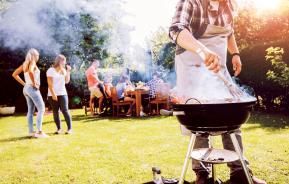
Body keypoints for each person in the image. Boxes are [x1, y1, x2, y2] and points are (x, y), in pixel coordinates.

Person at [169, 0, 266, 184]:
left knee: (232, 111)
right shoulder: (191, 2)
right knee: (201, 118)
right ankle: (202, 174)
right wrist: (202, 50)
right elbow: (176, 29)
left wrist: (235, 54)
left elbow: (229, 32)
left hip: (218, 68)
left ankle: (239, 173)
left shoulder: (228, 5)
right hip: (192, 66)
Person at [12, 48, 48, 138]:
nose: (38, 57)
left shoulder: (24, 64)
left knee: (30, 111)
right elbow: (31, 71)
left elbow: (14, 74)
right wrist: (34, 83)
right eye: (37, 55)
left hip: (26, 89)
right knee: (41, 109)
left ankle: (31, 132)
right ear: (34, 55)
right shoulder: (32, 63)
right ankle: (39, 132)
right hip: (32, 88)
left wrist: (25, 84)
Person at [47, 54, 72, 134]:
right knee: (55, 111)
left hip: (62, 93)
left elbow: (67, 81)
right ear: (60, 61)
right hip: (52, 94)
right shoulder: (51, 70)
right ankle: (59, 129)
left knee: (65, 110)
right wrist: (54, 94)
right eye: (64, 62)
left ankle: (69, 129)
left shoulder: (63, 70)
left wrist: (68, 71)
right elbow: (50, 84)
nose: (65, 63)